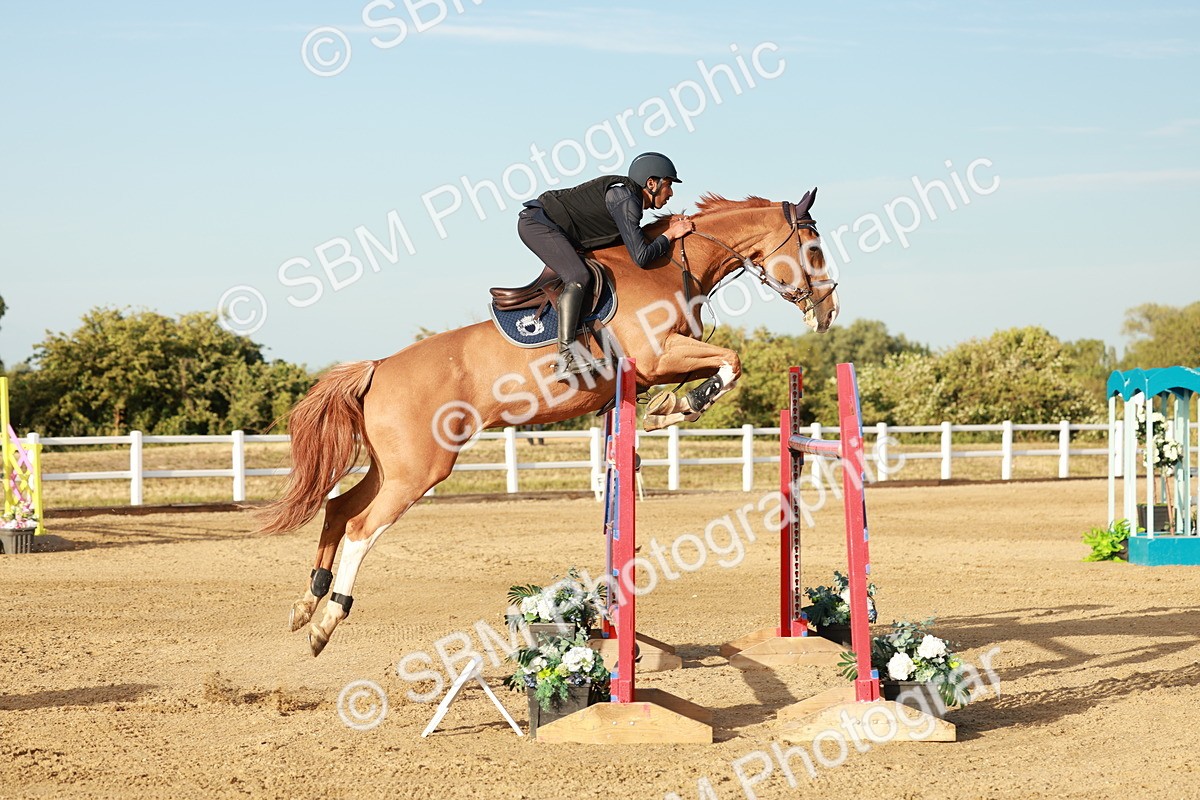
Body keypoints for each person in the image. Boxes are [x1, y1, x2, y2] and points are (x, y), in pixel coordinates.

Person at [517, 152, 695, 380]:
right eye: (668, 185)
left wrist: (664, 229)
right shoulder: (626, 199)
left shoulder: (628, 199)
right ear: (651, 183)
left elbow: (633, 241)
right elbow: (641, 256)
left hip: (553, 228)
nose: (670, 193)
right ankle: (566, 358)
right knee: (578, 276)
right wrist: (670, 234)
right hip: (537, 224)